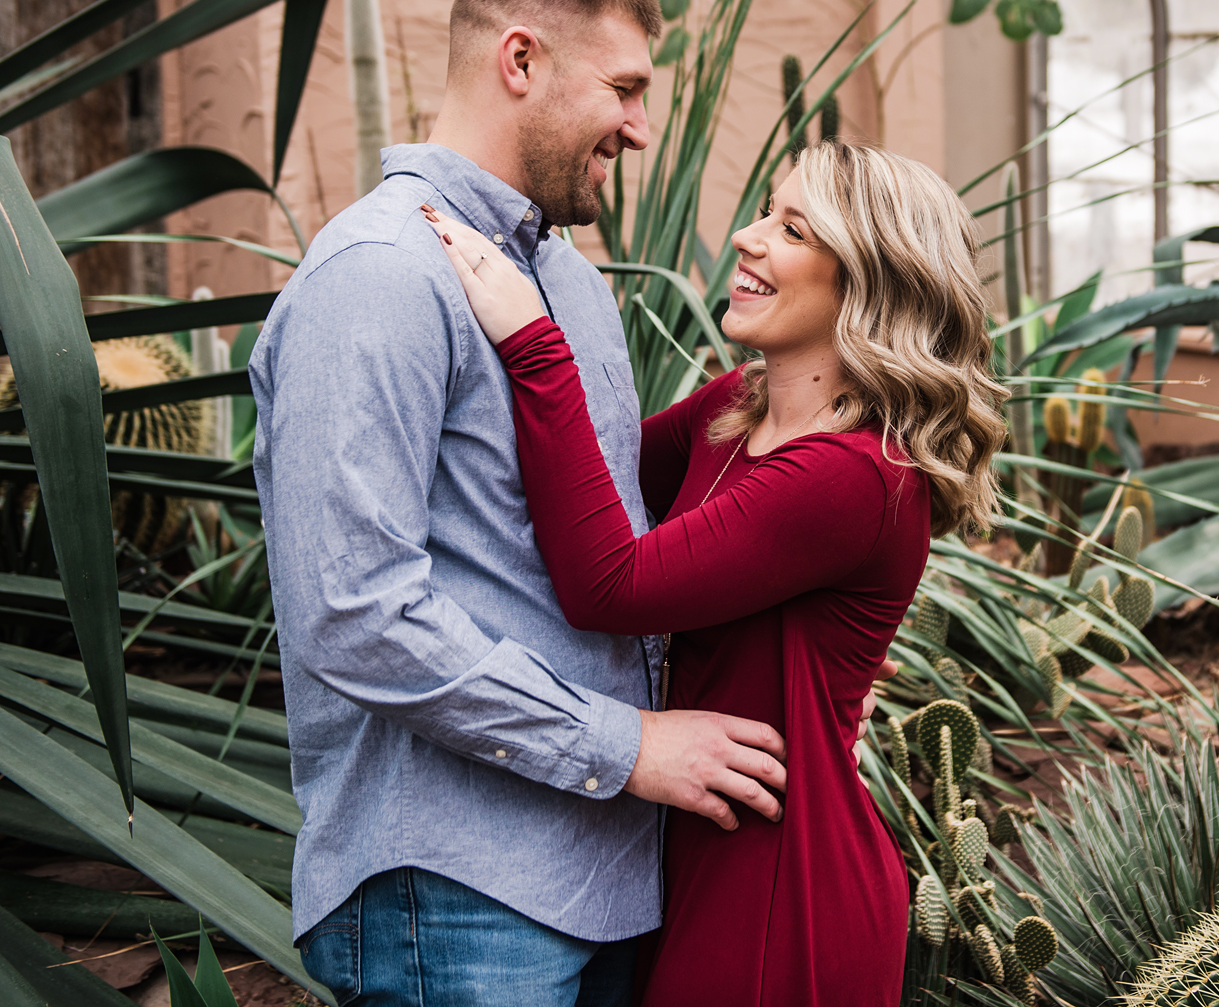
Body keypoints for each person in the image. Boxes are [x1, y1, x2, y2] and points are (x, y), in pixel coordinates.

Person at [253, 0, 874, 1007]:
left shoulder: (572, 286)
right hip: (451, 889)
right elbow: (351, 609)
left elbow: (619, 531)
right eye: (624, 87)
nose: (641, 127)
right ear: (521, 60)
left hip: (604, 881)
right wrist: (623, 745)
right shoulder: (381, 274)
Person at [424, 137, 1007, 1006]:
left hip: (783, 883)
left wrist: (537, 345)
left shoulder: (853, 477)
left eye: (794, 227)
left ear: (869, 281)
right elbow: (586, 483)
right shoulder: (735, 410)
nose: (748, 235)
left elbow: (609, 582)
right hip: (693, 850)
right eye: (767, 210)